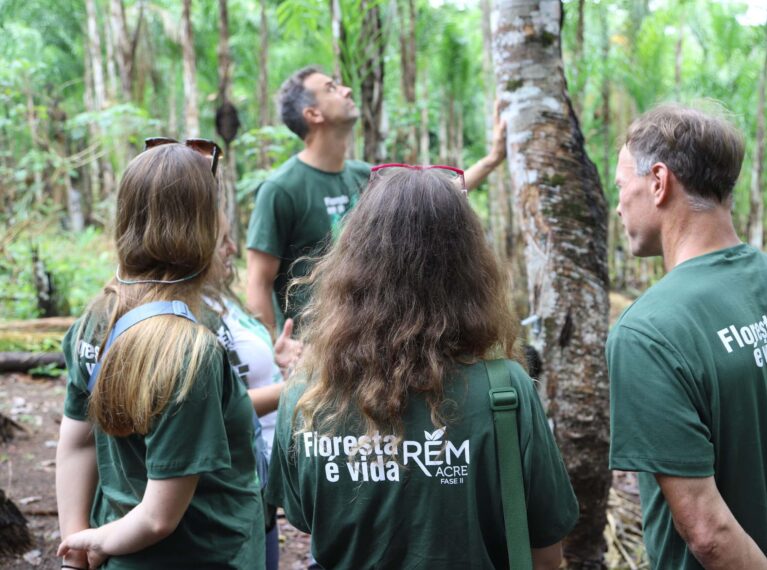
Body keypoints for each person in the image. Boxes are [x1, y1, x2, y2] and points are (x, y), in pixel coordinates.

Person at [266, 166, 579, 569]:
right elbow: (546, 555)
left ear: (353, 261)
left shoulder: (308, 393)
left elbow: (307, 520)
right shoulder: (505, 391)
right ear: (468, 266)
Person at [607, 104, 767, 569]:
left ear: (659, 182)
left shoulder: (647, 333)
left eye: (621, 186)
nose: (618, 204)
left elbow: (708, 533)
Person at [55, 142, 265, 569]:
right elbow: (156, 518)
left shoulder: (96, 321)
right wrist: (91, 543)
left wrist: (76, 543)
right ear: (204, 225)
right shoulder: (189, 350)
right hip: (206, 556)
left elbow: (76, 444)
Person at [246, 65, 508, 333]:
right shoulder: (280, 189)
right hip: (312, 350)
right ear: (313, 113)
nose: (346, 90)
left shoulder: (367, 176)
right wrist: (273, 352)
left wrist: (492, 159)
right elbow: (258, 280)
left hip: (367, 342)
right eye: (331, 88)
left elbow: (432, 197)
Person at [208, 214, 303, 570]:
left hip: (258, 481)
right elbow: (219, 406)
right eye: (224, 240)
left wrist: (275, 358)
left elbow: (240, 373)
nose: (233, 248)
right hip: (227, 489)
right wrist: (295, 388)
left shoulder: (222, 297)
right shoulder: (185, 315)